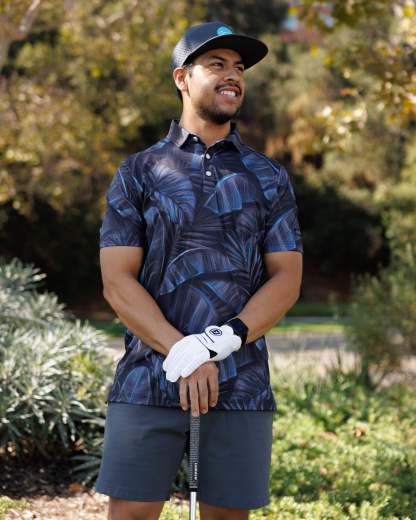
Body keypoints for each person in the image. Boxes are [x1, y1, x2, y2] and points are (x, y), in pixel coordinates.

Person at [95, 21, 303, 520]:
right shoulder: (139, 171)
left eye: (239, 68)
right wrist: (181, 351)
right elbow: (117, 280)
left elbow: (287, 278)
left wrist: (216, 344)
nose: (233, 75)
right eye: (217, 64)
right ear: (182, 78)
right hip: (147, 377)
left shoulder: (269, 177)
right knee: (130, 514)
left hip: (241, 382)